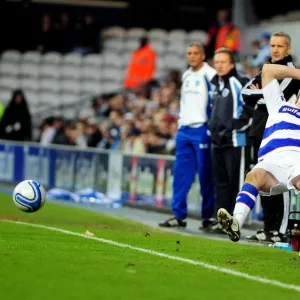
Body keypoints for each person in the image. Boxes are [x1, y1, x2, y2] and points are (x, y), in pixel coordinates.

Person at [217, 63, 300, 242]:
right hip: (272, 162)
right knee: (254, 175)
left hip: (296, 160)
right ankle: (236, 223)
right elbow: (268, 69)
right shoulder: (279, 104)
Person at [241, 31, 300, 243]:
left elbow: (266, 96)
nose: (275, 49)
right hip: (261, 131)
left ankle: (281, 229)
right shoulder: (268, 70)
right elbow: (245, 94)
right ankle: (268, 228)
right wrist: (262, 94)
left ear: (288, 49)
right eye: (272, 45)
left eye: (279, 46)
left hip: (283, 134)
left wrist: (261, 93)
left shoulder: (291, 73)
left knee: (283, 183)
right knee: (262, 181)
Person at [159, 44, 216, 230]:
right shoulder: (186, 75)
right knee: (181, 175)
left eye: (195, 53)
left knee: (206, 175)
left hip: (202, 129)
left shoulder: (210, 75)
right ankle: (178, 215)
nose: (191, 56)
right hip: (184, 131)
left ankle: (208, 217)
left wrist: (210, 126)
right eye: (189, 53)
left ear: (203, 55)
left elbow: (215, 103)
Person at [209, 47, 251, 233]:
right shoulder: (216, 84)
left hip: (235, 141)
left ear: (232, 64)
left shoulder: (239, 82)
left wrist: (233, 128)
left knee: (235, 181)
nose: (219, 65)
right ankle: (222, 221)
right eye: (216, 62)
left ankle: (235, 222)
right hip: (217, 142)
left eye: (223, 62)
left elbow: (251, 111)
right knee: (220, 183)